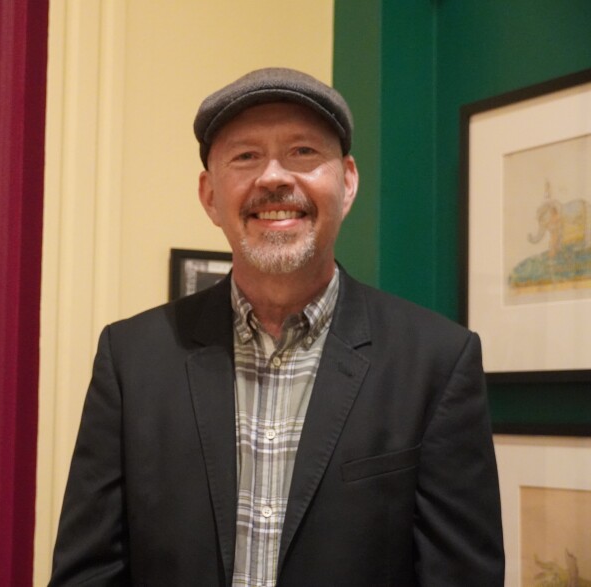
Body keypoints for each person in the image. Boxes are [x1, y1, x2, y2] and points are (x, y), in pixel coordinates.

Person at [49, 67, 504, 586]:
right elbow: (88, 573)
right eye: (245, 156)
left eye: (303, 152)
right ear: (210, 196)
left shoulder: (438, 362)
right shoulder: (131, 359)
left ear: (348, 182)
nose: (273, 178)